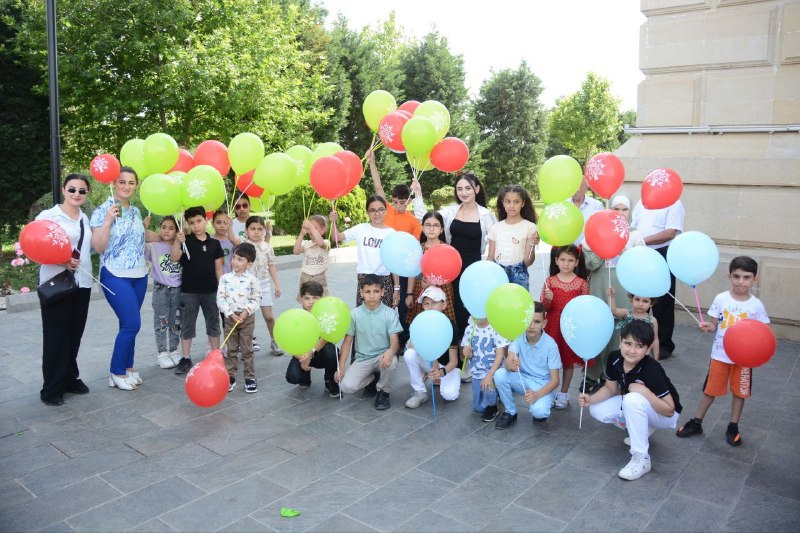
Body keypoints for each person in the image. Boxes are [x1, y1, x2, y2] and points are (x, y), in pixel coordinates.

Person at [412, 172, 497, 384]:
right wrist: (419, 194)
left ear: (477, 189)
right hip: (449, 270)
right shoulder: (450, 211)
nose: (464, 192)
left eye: (468, 188)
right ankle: (453, 361)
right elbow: (425, 217)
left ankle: (467, 361)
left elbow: (494, 242)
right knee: (453, 314)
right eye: (459, 189)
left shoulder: (486, 215)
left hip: (473, 270)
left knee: (470, 314)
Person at [675, 256, 769, 447]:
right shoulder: (721, 299)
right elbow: (714, 325)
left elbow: (763, 334)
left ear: (755, 279)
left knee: (739, 393)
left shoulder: (756, 306)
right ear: (729, 276)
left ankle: (733, 426)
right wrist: (707, 327)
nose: (740, 282)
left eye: (746, 277)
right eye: (736, 276)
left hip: (744, 360)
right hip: (720, 355)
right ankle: (697, 422)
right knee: (710, 390)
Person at [579, 321, 682, 481]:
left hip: (665, 415)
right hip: (641, 405)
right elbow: (611, 389)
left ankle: (641, 459)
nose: (632, 350)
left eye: (639, 346)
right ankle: (642, 427)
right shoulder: (614, 358)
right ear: (620, 341)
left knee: (632, 399)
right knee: (596, 408)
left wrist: (645, 391)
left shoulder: (651, 369)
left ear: (648, 349)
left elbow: (669, 410)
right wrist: (590, 399)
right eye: (627, 343)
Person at [36, 174, 94, 405]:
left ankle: (70, 378)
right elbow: (34, 246)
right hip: (56, 282)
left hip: (82, 283)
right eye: (72, 189)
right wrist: (62, 260)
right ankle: (51, 388)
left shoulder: (84, 217)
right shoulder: (49, 216)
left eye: (82, 191)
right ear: (63, 190)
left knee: (73, 335)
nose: (76, 194)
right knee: (56, 337)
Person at [90, 167, 148, 391]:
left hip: (139, 275)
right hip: (115, 275)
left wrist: (169, 235)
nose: (126, 186)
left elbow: (139, 240)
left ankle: (128, 367)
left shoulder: (135, 212)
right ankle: (116, 371)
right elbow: (98, 246)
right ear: (114, 183)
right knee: (132, 323)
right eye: (122, 182)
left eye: (131, 183)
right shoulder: (103, 210)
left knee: (129, 324)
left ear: (136, 185)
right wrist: (107, 221)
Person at [583, 194, 645, 390]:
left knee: (618, 333)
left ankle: (611, 375)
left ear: (630, 212)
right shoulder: (595, 231)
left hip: (622, 290)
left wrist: (623, 252)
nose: (620, 213)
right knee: (597, 329)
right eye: (615, 208)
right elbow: (590, 263)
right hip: (600, 287)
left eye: (624, 209)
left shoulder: (635, 235)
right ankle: (591, 374)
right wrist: (606, 247)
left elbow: (640, 267)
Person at [368, 149, 422, 351]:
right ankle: (381, 341)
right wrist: (372, 163)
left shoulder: (413, 222)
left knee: (401, 308)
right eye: (396, 201)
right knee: (380, 303)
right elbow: (378, 186)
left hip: (403, 269)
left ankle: (400, 342)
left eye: (403, 201)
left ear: (408, 200)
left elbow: (414, 254)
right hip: (383, 266)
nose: (399, 205)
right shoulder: (387, 210)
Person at [336, 274, 403, 410]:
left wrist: (390, 352)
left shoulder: (390, 313)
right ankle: (372, 378)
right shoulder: (354, 314)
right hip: (363, 358)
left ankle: (383, 391)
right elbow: (347, 343)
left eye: (376, 291)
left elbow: (395, 342)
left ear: (383, 292)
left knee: (389, 364)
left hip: (382, 357)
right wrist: (341, 368)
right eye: (367, 292)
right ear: (361, 293)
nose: (372, 296)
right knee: (346, 386)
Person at [170, 206, 224, 375]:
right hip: (189, 291)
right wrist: (178, 242)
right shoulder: (185, 241)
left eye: (199, 221)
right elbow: (173, 258)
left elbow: (219, 270)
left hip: (211, 291)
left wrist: (222, 289)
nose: (196, 226)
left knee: (213, 324)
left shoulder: (215, 244)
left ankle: (216, 355)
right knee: (187, 325)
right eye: (191, 223)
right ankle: (185, 358)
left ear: (206, 220)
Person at [631, 198, 685, 359]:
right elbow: (635, 225)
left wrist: (642, 241)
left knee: (663, 301)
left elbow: (670, 232)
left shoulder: (674, 203)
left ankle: (663, 345)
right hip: (641, 253)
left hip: (662, 252)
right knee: (640, 297)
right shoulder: (641, 202)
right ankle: (639, 340)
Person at [493, 302, 561, 429]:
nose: (531, 326)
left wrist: (537, 394)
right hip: (523, 379)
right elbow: (508, 362)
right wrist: (511, 365)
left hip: (543, 384)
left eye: (537, 322)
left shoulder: (551, 345)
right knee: (500, 374)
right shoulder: (519, 336)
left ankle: (544, 402)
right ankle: (510, 411)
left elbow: (556, 380)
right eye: (528, 321)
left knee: (539, 412)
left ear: (544, 323)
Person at [541, 244, 590, 409]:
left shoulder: (581, 283)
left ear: (577, 262)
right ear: (556, 260)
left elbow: (585, 307)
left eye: (570, 260)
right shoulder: (550, 282)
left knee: (568, 362)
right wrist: (549, 298)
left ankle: (564, 392)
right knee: (551, 360)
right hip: (553, 326)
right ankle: (549, 390)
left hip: (571, 328)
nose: (566, 263)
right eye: (562, 259)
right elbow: (544, 308)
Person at [331, 196, 399, 309]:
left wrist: (397, 289)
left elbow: (395, 264)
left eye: (381, 209)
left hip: (384, 281)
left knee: (384, 319)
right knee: (363, 318)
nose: (377, 213)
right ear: (367, 212)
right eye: (372, 210)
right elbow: (336, 238)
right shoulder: (360, 229)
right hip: (364, 279)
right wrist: (333, 222)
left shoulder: (392, 234)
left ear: (386, 211)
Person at [231, 216, 283, 355]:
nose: (256, 232)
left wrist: (277, 285)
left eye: (260, 229)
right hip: (246, 287)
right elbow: (232, 237)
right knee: (245, 318)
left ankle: (275, 340)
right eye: (252, 229)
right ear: (246, 230)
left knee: (269, 317)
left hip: (263, 285)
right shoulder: (243, 245)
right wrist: (229, 224)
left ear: (264, 231)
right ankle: (246, 346)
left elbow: (271, 266)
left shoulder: (267, 247)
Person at [403, 287, 460, 408]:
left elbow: (454, 361)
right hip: (429, 362)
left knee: (449, 395)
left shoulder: (450, 326)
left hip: (446, 366)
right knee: (409, 354)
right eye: (426, 303)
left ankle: (441, 378)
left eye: (434, 302)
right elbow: (411, 344)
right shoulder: (420, 322)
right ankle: (420, 392)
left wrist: (441, 372)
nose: (430, 307)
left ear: (444, 305)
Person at [216, 242, 261, 393]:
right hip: (230, 318)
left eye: (240, 259)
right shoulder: (225, 278)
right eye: (234, 258)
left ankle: (250, 377)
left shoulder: (253, 280)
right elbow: (220, 299)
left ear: (249, 264)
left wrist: (247, 311)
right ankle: (230, 377)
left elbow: (256, 298)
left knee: (247, 349)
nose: (235, 262)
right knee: (231, 349)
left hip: (247, 319)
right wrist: (230, 314)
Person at [285, 281, 340, 397]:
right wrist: (302, 359)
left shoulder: (326, 314)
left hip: (319, 352)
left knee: (332, 351)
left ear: (322, 298)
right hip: (302, 353)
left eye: (315, 298)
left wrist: (311, 353)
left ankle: (329, 381)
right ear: (301, 299)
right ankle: (305, 374)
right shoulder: (296, 317)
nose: (311, 302)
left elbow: (325, 337)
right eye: (307, 298)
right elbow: (291, 342)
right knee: (292, 377)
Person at [404, 211, 456, 325]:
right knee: (422, 322)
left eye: (436, 225)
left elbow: (450, 273)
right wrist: (409, 294)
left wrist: (433, 284)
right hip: (420, 289)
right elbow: (412, 273)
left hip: (442, 290)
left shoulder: (446, 249)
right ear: (422, 227)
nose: (431, 228)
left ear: (441, 229)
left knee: (441, 322)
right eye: (428, 225)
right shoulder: (417, 248)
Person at [144, 216, 182, 369]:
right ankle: (161, 353)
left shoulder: (180, 246)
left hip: (177, 290)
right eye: (164, 227)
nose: (167, 231)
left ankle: (173, 350)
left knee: (176, 321)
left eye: (171, 228)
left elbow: (175, 259)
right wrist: (144, 227)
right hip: (161, 289)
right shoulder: (153, 246)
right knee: (161, 321)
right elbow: (140, 243)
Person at [487, 185, 539, 289]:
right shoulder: (495, 228)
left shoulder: (530, 227)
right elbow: (490, 258)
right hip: (498, 274)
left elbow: (528, 262)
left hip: (519, 275)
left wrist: (533, 245)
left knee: (519, 304)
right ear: (503, 203)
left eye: (516, 202)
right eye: (508, 201)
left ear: (522, 203)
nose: (512, 205)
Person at [461, 315, 509, 422]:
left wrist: (490, 375)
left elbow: (500, 354)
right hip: (476, 373)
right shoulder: (469, 329)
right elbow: (466, 354)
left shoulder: (496, 328)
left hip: (493, 373)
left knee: (489, 396)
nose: (478, 314)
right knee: (479, 408)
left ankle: (495, 404)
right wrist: (467, 353)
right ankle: (496, 395)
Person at [607, 287, 660, 360]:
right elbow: (614, 311)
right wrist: (611, 296)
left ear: (651, 304)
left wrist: (656, 359)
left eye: (645, 301)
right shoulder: (626, 313)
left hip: (641, 354)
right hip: (625, 352)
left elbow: (655, 340)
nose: (640, 304)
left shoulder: (652, 320)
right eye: (637, 299)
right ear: (631, 299)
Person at [292, 215, 330, 295]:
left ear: (323, 230)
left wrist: (311, 227)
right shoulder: (306, 243)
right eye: (309, 229)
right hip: (305, 276)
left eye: (315, 228)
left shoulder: (326, 242)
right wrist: (302, 234)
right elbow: (296, 251)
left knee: (320, 301)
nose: (311, 231)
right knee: (307, 301)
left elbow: (320, 243)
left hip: (319, 277)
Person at [571, 178, 603, 244]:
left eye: (578, 187)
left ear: (586, 187)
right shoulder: (564, 205)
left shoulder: (597, 206)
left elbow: (601, 229)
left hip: (589, 250)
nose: (575, 190)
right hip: (568, 251)